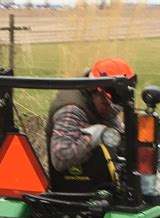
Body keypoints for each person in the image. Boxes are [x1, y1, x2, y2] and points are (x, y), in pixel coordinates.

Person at [46, 57, 134, 193]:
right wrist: (93, 136)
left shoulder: (101, 103)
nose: (114, 110)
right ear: (95, 91)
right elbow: (60, 157)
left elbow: (117, 135)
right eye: (109, 104)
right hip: (76, 190)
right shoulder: (71, 110)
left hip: (103, 184)